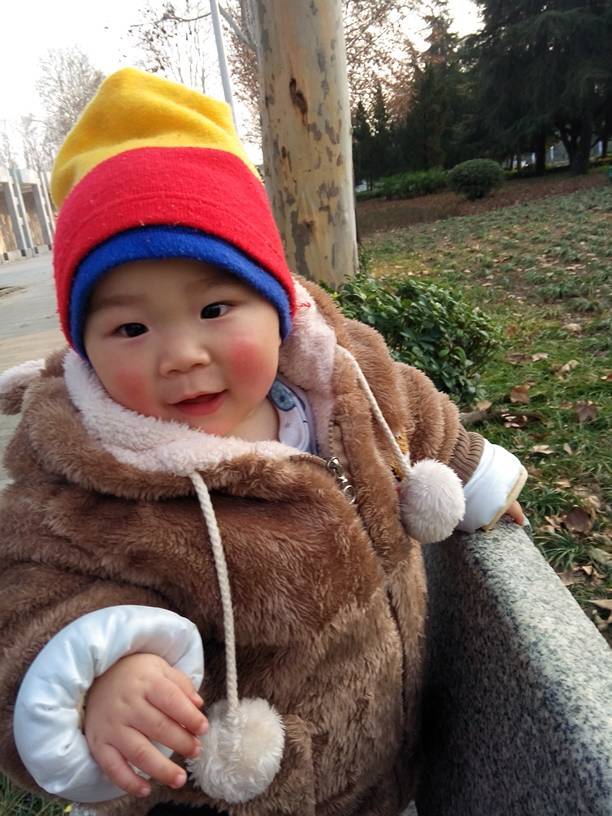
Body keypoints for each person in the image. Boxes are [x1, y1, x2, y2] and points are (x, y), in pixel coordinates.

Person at [0, 68, 526, 816]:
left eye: (215, 308)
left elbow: (414, 415)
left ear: (277, 305)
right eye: (131, 327)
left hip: (390, 755)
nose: (181, 354)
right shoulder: (84, 481)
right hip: (247, 793)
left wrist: (472, 476)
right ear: (84, 348)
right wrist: (94, 670)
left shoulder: (342, 377)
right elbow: (25, 594)